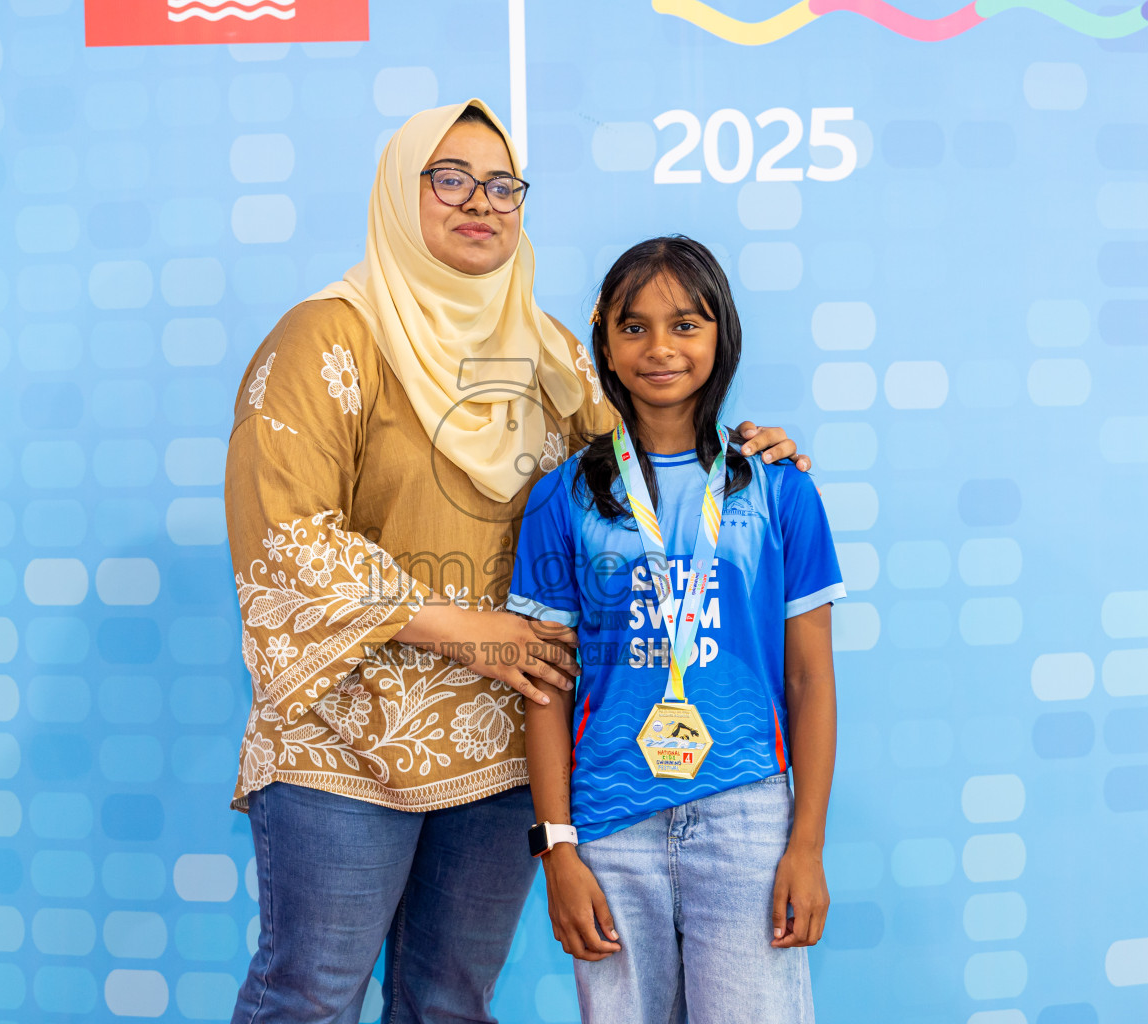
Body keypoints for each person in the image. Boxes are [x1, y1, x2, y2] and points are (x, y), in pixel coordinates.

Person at [223, 101, 808, 1024]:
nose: (480, 203)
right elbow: (286, 537)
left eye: (502, 185)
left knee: (450, 1003)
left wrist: (750, 457)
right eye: (447, 178)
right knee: (310, 999)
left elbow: (637, 480)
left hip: (503, 751)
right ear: (396, 191)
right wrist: (468, 630)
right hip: (345, 746)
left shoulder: (551, 354)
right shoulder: (327, 340)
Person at [510, 236, 844, 1023]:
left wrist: (805, 844)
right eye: (635, 328)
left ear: (721, 334)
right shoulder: (563, 499)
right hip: (610, 823)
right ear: (606, 345)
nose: (660, 348)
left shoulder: (777, 492)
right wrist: (558, 848)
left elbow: (810, 681)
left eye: (685, 325)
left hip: (748, 814)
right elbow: (546, 692)